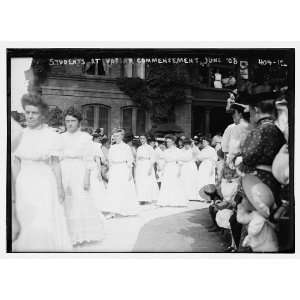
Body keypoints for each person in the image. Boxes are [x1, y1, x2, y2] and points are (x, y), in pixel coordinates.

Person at [12, 94, 72, 251]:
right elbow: (16, 162)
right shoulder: (19, 134)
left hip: (44, 182)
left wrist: (59, 188)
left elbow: (55, 164)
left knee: (43, 219)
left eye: (34, 113)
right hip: (24, 181)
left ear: (42, 115)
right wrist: (13, 189)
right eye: (27, 112)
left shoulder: (51, 136)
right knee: (25, 217)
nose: (30, 116)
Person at [60, 107, 105, 246]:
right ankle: (66, 234)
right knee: (65, 200)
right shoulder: (60, 137)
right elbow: (57, 159)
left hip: (79, 170)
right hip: (64, 168)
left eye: (73, 121)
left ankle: (80, 234)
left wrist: (86, 178)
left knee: (80, 199)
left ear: (79, 122)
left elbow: (88, 159)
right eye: (67, 121)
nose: (70, 124)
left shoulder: (85, 138)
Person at [104, 129, 140, 217]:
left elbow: (130, 160)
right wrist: (110, 170)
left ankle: (125, 209)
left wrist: (130, 173)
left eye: (118, 136)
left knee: (124, 188)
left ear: (122, 136)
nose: (116, 137)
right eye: (115, 136)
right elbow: (110, 160)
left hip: (123, 168)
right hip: (115, 169)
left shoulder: (126, 147)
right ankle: (113, 211)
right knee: (114, 189)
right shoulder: (112, 147)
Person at [157, 134, 188, 207]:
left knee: (175, 183)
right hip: (167, 168)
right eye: (167, 142)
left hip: (174, 167)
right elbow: (164, 160)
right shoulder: (166, 151)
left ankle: (176, 200)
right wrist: (161, 168)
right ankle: (166, 200)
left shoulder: (178, 150)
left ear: (173, 142)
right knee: (167, 183)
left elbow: (180, 161)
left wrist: (179, 170)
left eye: (169, 142)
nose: (167, 143)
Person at [135, 134, 159, 204]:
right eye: (141, 139)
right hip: (140, 166)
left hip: (147, 165)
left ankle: (148, 197)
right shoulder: (139, 148)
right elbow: (137, 158)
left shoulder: (149, 148)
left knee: (147, 181)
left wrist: (150, 168)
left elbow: (153, 158)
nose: (142, 140)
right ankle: (141, 198)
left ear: (146, 139)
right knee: (141, 182)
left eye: (143, 139)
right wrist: (137, 166)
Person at [89, 134, 107, 213]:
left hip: (93, 168)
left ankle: (98, 206)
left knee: (95, 186)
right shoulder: (85, 146)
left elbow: (98, 160)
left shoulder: (95, 146)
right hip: (87, 168)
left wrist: (99, 172)